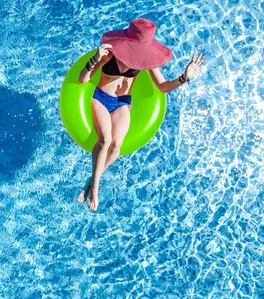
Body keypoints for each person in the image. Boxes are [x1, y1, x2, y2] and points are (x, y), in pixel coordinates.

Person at [76, 18, 204, 211]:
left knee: (117, 144)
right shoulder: (110, 53)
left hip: (122, 103)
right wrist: (94, 59)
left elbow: (162, 86)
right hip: (101, 98)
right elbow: (83, 79)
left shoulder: (147, 60)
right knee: (105, 140)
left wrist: (184, 78)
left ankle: (90, 181)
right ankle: (95, 188)